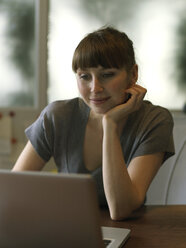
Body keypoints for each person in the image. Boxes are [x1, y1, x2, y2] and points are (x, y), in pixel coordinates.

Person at [12, 26, 175, 220]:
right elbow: (13, 191)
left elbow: (120, 209)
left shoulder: (154, 120)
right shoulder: (57, 116)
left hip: (130, 232)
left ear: (133, 74)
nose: (95, 88)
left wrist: (110, 125)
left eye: (107, 74)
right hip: (69, 226)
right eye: (84, 76)